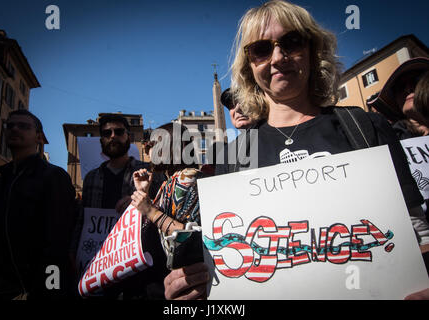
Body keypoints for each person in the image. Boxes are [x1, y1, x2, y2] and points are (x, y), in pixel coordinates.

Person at [164, 0, 429, 300]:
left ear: (313, 52)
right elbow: (227, 263)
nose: (278, 57)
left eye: (291, 42)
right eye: (261, 49)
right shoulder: (231, 158)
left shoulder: (367, 128)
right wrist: (197, 284)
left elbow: (416, 232)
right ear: (250, 66)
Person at [0, 109, 77, 299]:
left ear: (39, 137)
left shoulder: (53, 177)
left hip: (39, 289)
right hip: (0, 289)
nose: (15, 129)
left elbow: (58, 243)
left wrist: (52, 289)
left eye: (24, 126)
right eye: (10, 126)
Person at [71, 113, 168, 299]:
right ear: (101, 140)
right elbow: (82, 220)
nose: (112, 136)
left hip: (140, 266)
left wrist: (141, 201)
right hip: (98, 262)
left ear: (129, 138)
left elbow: (162, 210)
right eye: (107, 133)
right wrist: (73, 253)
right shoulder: (91, 177)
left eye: (118, 131)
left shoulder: (149, 173)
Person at [130, 123, 204, 276]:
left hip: (191, 275)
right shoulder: (168, 182)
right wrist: (143, 192)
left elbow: (189, 236)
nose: (148, 149)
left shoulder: (186, 178)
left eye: (154, 144)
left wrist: (149, 210)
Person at [367, 57, 429, 139]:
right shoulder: (389, 138)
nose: (408, 89)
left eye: (416, 81)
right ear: (395, 101)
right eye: (400, 87)